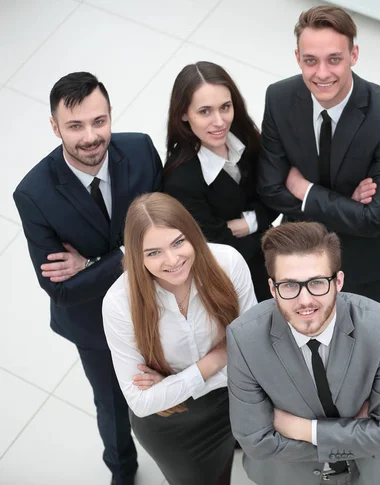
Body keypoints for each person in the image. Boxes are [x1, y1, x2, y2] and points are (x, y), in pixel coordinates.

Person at [13, 72, 162, 485]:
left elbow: (169, 229)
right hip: (90, 320)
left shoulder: (142, 149)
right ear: (54, 126)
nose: (91, 137)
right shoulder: (33, 194)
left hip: (157, 295)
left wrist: (95, 261)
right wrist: (132, 254)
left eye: (99, 121)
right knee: (111, 402)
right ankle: (122, 469)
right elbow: (61, 289)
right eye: (75, 126)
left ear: (111, 115)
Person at [257, 5, 380, 380]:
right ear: (297, 57)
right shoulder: (279, 98)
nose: (322, 73)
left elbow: (374, 219)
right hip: (304, 254)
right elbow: (270, 189)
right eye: (310, 60)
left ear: (353, 56)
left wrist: (307, 191)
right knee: (313, 347)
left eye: (334, 59)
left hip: (373, 260)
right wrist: (347, 203)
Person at [227, 222, 380, 485]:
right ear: (272, 288)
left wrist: (306, 430)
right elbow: (256, 441)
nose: (304, 301)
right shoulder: (244, 337)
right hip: (288, 476)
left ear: (338, 281)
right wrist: (361, 434)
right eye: (289, 286)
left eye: (316, 282)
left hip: (374, 474)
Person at [102, 192, 257, 485]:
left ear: (192, 234)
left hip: (235, 399)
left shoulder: (227, 263)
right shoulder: (119, 303)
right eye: (153, 252)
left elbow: (253, 352)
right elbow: (141, 402)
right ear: (136, 255)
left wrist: (173, 383)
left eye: (178, 242)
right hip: (173, 423)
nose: (172, 261)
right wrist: (218, 357)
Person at [163, 61, 277, 302]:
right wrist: (262, 222)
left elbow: (276, 196)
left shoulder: (246, 137)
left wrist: (246, 224)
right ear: (184, 113)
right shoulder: (180, 179)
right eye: (204, 111)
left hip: (272, 259)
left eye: (225, 107)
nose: (219, 121)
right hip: (235, 279)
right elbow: (216, 246)